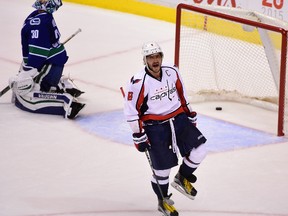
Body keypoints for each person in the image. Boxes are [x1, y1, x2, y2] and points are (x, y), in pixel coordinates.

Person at [123, 42, 207, 216]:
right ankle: (162, 201)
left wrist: (190, 113)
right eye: (151, 57)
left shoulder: (172, 71)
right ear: (145, 60)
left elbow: (182, 94)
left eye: (157, 56)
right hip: (155, 128)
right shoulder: (138, 82)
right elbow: (132, 112)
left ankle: (182, 177)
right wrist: (139, 135)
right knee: (162, 171)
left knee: (200, 150)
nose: (155, 60)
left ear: (161, 57)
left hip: (178, 119)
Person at [9, 0, 85, 119]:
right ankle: (60, 85)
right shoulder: (39, 17)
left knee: (28, 93)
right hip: (50, 63)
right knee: (25, 83)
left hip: (50, 65)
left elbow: (38, 51)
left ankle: (68, 103)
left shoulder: (39, 21)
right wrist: (24, 70)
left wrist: (27, 72)